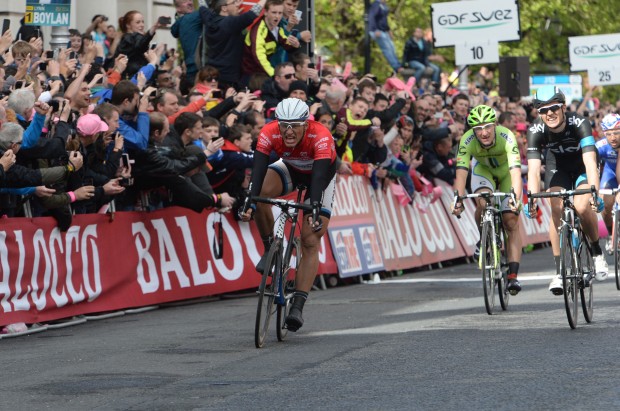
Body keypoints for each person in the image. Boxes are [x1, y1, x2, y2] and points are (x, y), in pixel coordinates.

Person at [240, 98, 337, 332]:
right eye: (284, 125)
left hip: (320, 176)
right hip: (291, 168)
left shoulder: (321, 135)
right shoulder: (269, 132)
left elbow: (318, 177)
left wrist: (314, 207)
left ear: (306, 123)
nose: (289, 131)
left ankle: (298, 306)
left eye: (295, 125)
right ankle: (269, 249)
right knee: (260, 195)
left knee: (310, 239)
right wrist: (250, 200)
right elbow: (258, 169)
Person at [524, 86, 608, 295]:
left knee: (582, 206)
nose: (549, 113)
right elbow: (533, 170)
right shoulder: (535, 130)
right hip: (557, 167)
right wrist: (531, 199)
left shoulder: (579, 123)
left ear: (563, 108)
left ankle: (596, 252)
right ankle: (560, 271)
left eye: (554, 108)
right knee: (556, 208)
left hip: (582, 165)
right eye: (543, 110)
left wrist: (595, 193)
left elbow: (590, 163)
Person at [451, 105, 524, 295]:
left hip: (506, 174)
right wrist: (457, 199)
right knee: (483, 202)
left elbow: (516, 172)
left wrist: (515, 197)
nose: (484, 133)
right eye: (478, 129)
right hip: (483, 172)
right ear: (472, 130)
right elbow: (461, 173)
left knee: (510, 220)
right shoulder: (467, 140)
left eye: (488, 127)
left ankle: (513, 276)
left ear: (495, 125)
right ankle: (484, 237)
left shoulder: (507, 136)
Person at [201, 0, 267, 90]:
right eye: (233, 2)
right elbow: (251, 14)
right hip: (229, 78)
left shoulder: (209, 20)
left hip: (212, 74)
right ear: (224, 8)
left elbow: (202, 8)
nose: (237, 5)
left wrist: (234, 12)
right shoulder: (230, 23)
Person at [596, 113, 620, 254]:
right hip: (610, 173)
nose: (613, 137)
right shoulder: (602, 145)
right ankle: (610, 233)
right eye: (609, 134)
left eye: (616, 133)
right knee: (605, 204)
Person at [368, 0, 401, 75]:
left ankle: (398, 65)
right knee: (387, 49)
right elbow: (371, 17)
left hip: (384, 31)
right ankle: (396, 66)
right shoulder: (376, 5)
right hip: (377, 31)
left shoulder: (383, 6)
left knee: (392, 47)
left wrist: (388, 30)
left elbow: (384, 20)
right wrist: (374, 30)